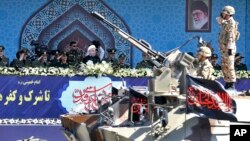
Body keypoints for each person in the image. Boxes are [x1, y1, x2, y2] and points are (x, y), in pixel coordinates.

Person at [217, 6, 238, 89]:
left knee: (230, 65)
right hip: (223, 48)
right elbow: (219, 21)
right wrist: (222, 16)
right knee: (224, 65)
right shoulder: (226, 22)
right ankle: (227, 82)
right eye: (223, 13)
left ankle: (232, 83)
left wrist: (229, 49)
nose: (223, 14)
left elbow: (231, 37)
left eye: (225, 13)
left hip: (229, 48)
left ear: (229, 14)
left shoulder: (232, 23)